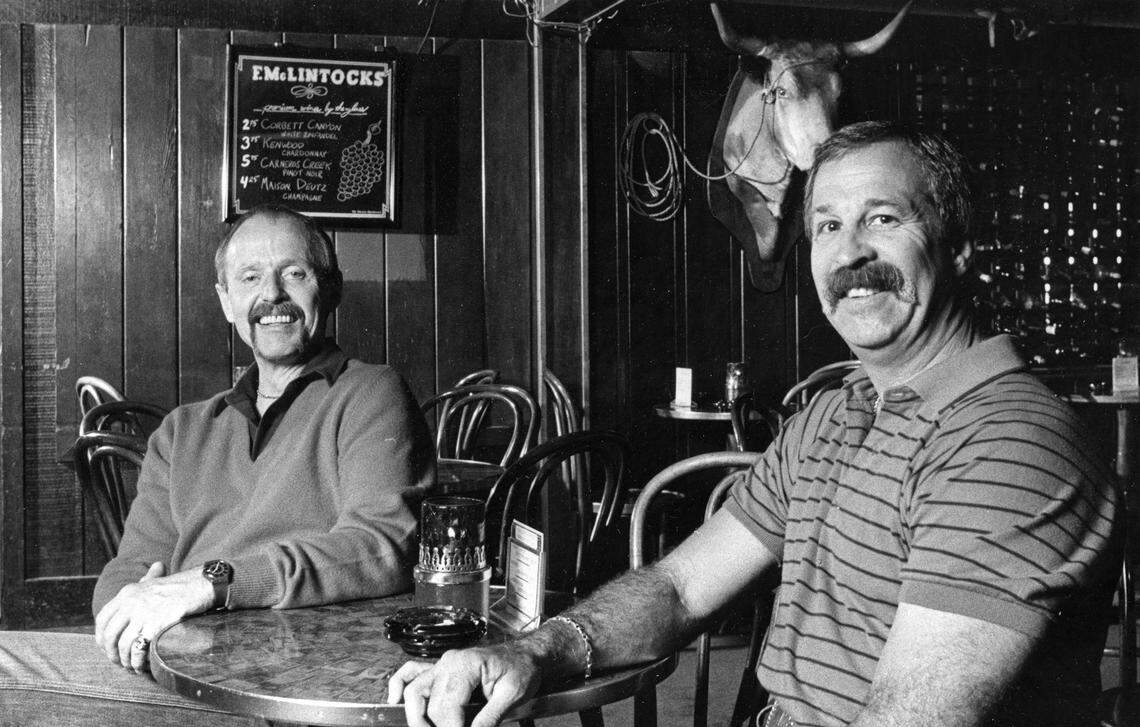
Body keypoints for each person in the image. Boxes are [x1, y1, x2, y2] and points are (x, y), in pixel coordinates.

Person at [387, 122, 1121, 727]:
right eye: (827, 225)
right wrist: (536, 651)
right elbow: (681, 587)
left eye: (884, 218)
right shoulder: (832, 415)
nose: (851, 252)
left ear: (957, 246)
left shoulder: (1009, 442)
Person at [1, 203, 434, 725]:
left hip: (287, 684)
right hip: (178, 666)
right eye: (250, 278)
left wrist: (211, 583)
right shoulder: (182, 430)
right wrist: (131, 621)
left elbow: (382, 546)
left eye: (294, 274)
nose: (272, 295)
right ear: (227, 301)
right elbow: (132, 568)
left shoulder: (370, 393)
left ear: (331, 288)